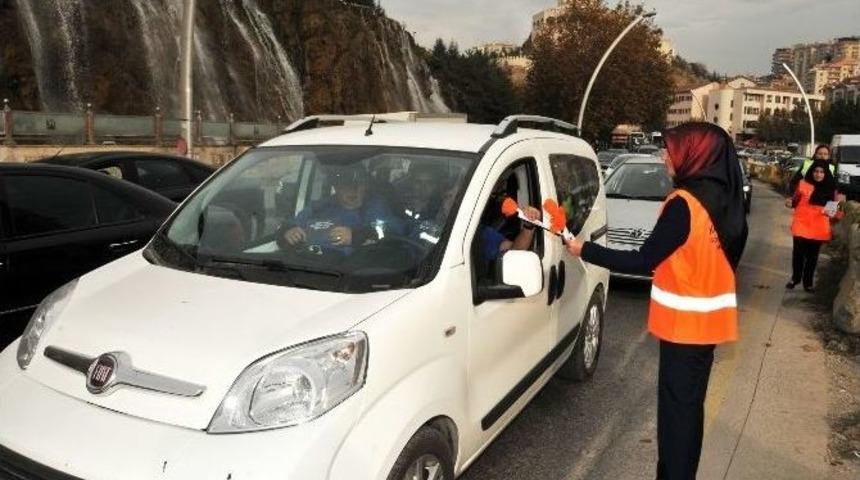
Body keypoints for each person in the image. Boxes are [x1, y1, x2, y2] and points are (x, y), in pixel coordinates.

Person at [566, 122, 748, 480]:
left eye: (673, 150)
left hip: (684, 330)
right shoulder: (724, 201)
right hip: (708, 328)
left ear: (695, 156)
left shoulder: (684, 205)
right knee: (689, 411)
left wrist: (585, 249)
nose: (665, 157)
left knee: (676, 418)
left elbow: (642, 260)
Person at [281, 164, 401, 250]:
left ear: (365, 185)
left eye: (358, 184)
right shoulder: (320, 207)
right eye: (347, 185)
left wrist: (357, 236)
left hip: (356, 269)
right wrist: (288, 232)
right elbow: (290, 225)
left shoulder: (376, 205)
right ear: (336, 187)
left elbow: (396, 232)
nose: (353, 190)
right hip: (312, 265)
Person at [785, 159, 842, 292]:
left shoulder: (831, 189)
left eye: (821, 172)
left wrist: (835, 211)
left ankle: (808, 283)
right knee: (798, 254)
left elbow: (832, 211)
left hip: (818, 226)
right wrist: (790, 203)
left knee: (812, 256)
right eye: (816, 171)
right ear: (812, 172)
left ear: (826, 174)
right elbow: (795, 200)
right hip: (801, 223)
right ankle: (795, 278)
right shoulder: (803, 184)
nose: (818, 174)